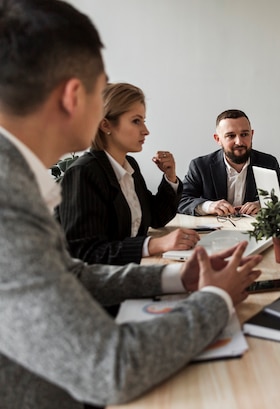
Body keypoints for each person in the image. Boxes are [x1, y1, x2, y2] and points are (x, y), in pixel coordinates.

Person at [0, 1, 262, 408]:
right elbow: (110, 369)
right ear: (74, 96)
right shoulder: (9, 198)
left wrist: (180, 280)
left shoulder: (18, 178)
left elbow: (72, 273)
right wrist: (217, 299)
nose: (145, 128)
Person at [57, 83, 200, 265]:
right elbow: (86, 252)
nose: (146, 131)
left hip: (128, 271)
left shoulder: (128, 165)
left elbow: (155, 217)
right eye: (136, 121)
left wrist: (170, 177)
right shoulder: (83, 173)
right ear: (105, 124)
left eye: (143, 121)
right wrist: (154, 244)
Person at [178, 109, 280, 216]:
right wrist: (209, 206)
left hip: (254, 232)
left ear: (252, 135)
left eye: (244, 134)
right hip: (214, 234)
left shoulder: (268, 163)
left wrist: (264, 205)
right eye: (231, 136)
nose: (239, 142)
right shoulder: (200, 166)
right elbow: (180, 200)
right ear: (218, 139)